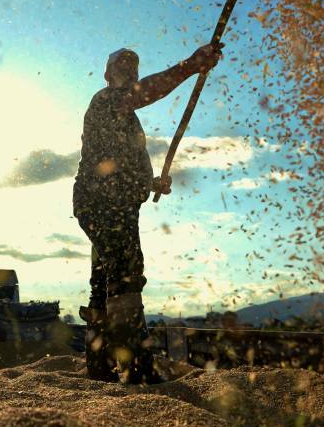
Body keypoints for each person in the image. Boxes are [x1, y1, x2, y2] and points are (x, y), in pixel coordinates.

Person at [73, 42, 222, 383]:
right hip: (103, 204)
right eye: (121, 68)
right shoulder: (106, 100)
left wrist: (150, 183)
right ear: (108, 75)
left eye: (132, 69)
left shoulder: (126, 117)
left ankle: (100, 367)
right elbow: (140, 94)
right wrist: (190, 65)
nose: (128, 73)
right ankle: (137, 365)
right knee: (125, 274)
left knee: (104, 281)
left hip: (113, 205)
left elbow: (119, 166)